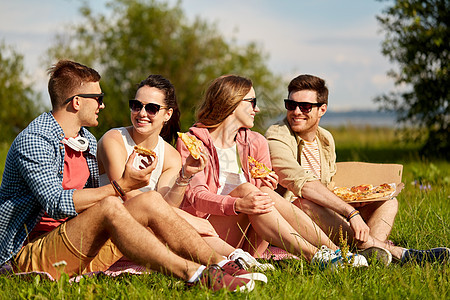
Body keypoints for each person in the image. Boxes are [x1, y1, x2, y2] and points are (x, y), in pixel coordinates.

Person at [0, 60, 258, 292]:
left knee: (151, 201)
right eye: (98, 98)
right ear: (77, 102)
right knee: (111, 204)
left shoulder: (85, 140)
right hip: (28, 255)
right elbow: (56, 203)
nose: (102, 104)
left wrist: (182, 179)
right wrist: (120, 186)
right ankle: (196, 275)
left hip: (77, 242)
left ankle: (222, 265)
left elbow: (143, 204)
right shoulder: (36, 140)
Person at [177, 74, 368, 269]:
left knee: (263, 192)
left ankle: (337, 252)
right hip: (208, 235)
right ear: (231, 102)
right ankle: (315, 255)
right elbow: (196, 196)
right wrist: (238, 203)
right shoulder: (193, 143)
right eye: (252, 102)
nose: (257, 109)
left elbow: (263, 198)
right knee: (247, 190)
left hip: (249, 239)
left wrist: (266, 184)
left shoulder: (255, 142)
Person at [265, 74, 450, 264]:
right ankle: (394, 252)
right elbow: (301, 183)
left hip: (324, 215)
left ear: (322, 110)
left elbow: (327, 185)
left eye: (305, 107)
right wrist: (350, 212)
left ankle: (368, 253)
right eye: (291, 105)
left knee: (389, 202)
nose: (296, 111)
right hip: (295, 218)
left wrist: (355, 202)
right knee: (304, 204)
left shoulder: (325, 138)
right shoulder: (276, 136)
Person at [96, 74, 272, 272]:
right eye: (136, 105)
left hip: (149, 230)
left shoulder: (170, 154)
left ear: (168, 114)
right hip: (112, 229)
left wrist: (184, 176)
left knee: (180, 225)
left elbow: (166, 207)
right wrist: (188, 219)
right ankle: (232, 260)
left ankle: (234, 260)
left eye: (151, 108)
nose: (142, 113)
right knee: (185, 225)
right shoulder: (115, 139)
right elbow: (128, 195)